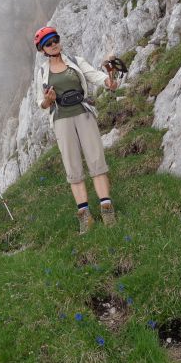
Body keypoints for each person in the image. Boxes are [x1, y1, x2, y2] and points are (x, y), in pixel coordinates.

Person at [34, 26, 118, 234]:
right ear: (42, 49)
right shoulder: (43, 72)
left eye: (55, 40)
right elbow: (40, 103)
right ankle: (85, 217)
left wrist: (109, 80)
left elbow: (95, 77)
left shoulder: (76, 61)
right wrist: (47, 100)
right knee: (72, 166)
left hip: (83, 113)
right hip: (61, 118)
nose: (54, 44)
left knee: (96, 160)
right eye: (48, 43)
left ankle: (107, 210)